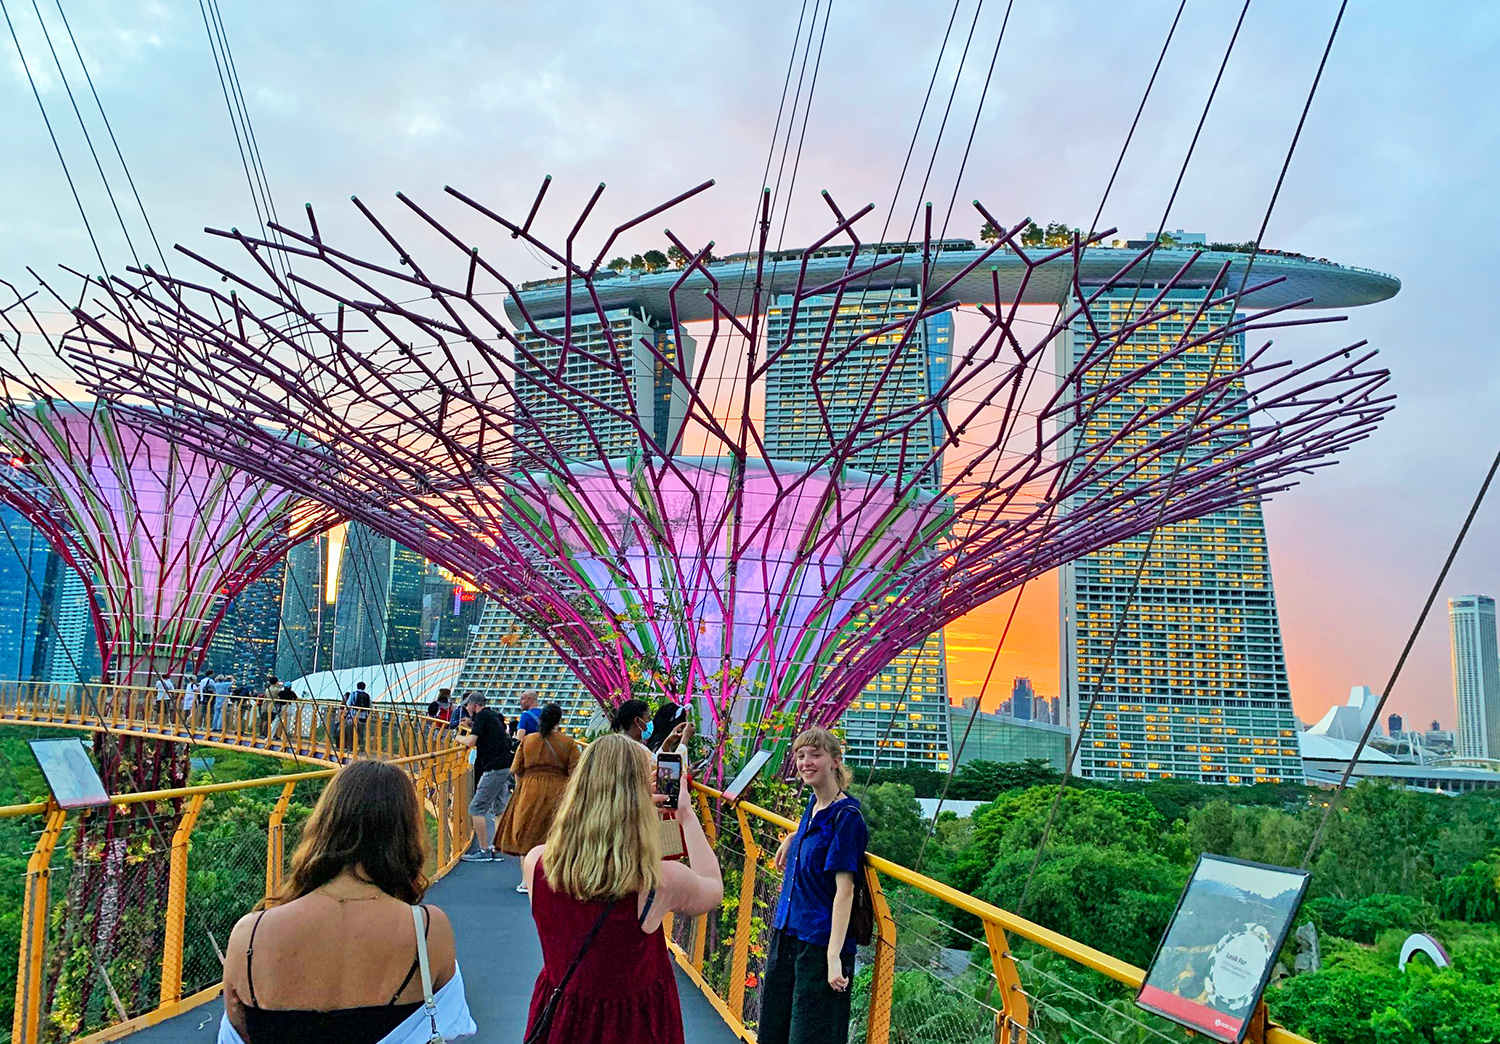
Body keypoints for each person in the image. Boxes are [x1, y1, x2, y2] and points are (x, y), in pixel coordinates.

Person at [218, 759, 476, 1043]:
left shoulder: (250, 935)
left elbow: (237, 1031)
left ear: (324, 825)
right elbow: (448, 1025)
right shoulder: (427, 931)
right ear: (405, 834)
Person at [520, 733, 722, 1044]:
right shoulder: (657, 881)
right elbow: (712, 888)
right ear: (640, 798)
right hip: (633, 1026)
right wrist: (685, 815)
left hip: (561, 1017)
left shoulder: (537, 864)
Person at [761, 727, 869, 1044]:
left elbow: (845, 889)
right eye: (801, 755)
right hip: (787, 934)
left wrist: (833, 957)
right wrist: (794, 837)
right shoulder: (814, 805)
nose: (806, 762)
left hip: (819, 944)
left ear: (835, 761)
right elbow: (816, 835)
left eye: (815, 755)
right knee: (773, 1031)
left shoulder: (848, 817)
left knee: (811, 1036)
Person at [496, 702, 578, 892]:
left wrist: (520, 789)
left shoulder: (529, 740)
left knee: (527, 834)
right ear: (559, 720)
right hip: (558, 790)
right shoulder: (568, 743)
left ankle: (526, 881)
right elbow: (575, 772)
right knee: (553, 834)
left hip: (529, 789)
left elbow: (516, 769)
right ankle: (552, 879)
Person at [456, 695, 513, 863]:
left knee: (476, 808)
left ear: (474, 705)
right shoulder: (493, 716)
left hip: (494, 768)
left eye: (467, 705)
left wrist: (459, 737)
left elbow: (471, 741)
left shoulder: (482, 716)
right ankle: (497, 846)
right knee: (499, 808)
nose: (466, 709)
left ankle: (483, 850)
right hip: (505, 765)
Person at [344, 682, 373, 749]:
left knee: (351, 731)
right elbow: (370, 706)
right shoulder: (367, 695)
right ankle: (361, 747)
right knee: (360, 732)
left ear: (357, 686)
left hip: (353, 716)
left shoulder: (353, 694)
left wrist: (345, 714)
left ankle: (351, 747)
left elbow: (348, 704)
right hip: (363, 717)